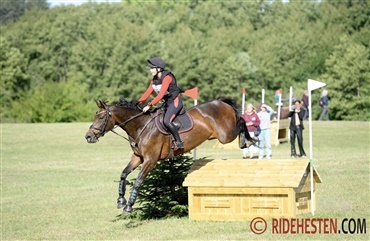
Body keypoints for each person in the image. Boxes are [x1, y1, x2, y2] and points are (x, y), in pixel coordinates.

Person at [138, 57, 184, 149]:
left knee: (167, 121)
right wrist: (138, 102)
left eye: (152, 68)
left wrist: (149, 105)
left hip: (175, 102)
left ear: (159, 69)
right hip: (167, 103)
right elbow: (147, 92)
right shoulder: (154, 80)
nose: (150, 70)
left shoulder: (167, 78)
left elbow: (161, 95)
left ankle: (179, 142)